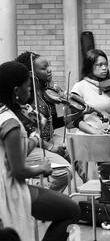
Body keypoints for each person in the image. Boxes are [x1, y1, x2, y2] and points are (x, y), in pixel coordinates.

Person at [0, 61, 80, 241]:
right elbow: (18, 170)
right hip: (9, 190)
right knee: (72, 211)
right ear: (15, 91)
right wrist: (42, 168)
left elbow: (14, 152)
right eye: (27, 88)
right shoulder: (10, 123)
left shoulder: (4, 113)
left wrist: (34, 136)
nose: (30, 93)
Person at [15, 51, 74, 193]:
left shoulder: (47, 92)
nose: (49, 70)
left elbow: (50, 122)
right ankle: (45, 200)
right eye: (43, 68)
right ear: (31, 73)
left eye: (49, 66)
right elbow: (29, 130)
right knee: (65, 171)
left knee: (80, 152)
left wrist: (74, 115)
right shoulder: (26, 96)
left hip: (48, 138)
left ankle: (94, 194)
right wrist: (49, 146)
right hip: (35, 144)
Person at [70, 49, 110, 135]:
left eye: (106, 64)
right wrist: (94, 131)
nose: (104, 68)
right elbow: (75, 120)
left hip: (109, 130)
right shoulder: (79, 87)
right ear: (90, 66)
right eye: (99, 65)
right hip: (88, 133)